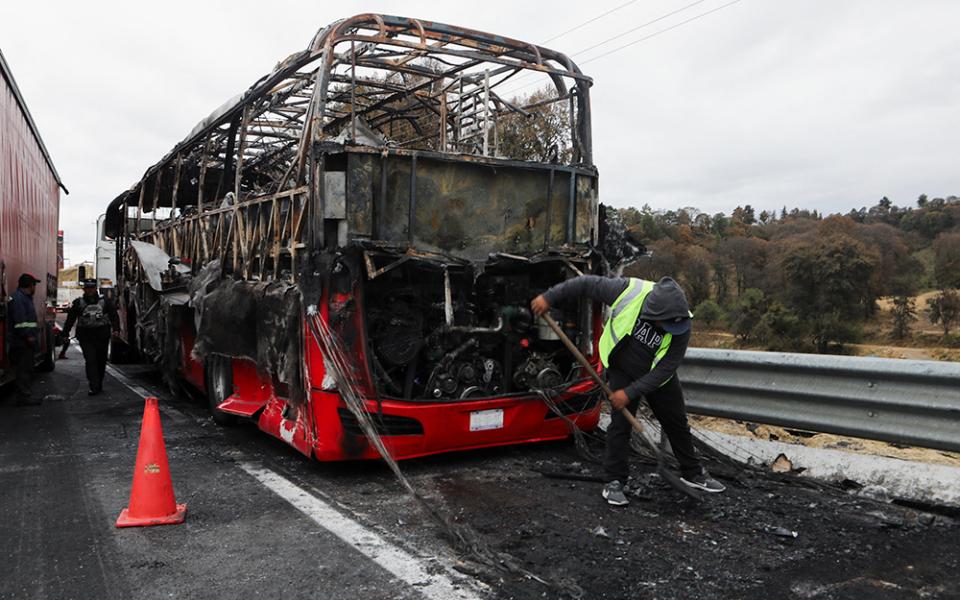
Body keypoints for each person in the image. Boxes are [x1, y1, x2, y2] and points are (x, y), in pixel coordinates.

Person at [531, 275, 725, 506]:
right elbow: (584, 284)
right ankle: (614, 481)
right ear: (654, 315)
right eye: (666, 324)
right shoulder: (626, 291)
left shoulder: (682, 323)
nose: (672, 329)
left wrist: (630, 393)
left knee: (677, 423)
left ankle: (693, 473)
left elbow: (666, 368)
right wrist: (549, 297)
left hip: (657, 376)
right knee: (620, 426)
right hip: (622, 368)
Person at [61, 279, 119, 395]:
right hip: (86, 337)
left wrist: (116, 329)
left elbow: (113, 315)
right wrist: (65, 333)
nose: (90, 290)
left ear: (95, 288)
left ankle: (99, 383)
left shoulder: (105, 302)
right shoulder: (78, 303)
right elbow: (70, 319)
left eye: (92, 288)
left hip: (102, 336)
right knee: (90, 360)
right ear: (84, 289)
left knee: (101, 361)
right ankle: (94, 386)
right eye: (87, 288)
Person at [9, 273, 42, 404]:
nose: (35, 288)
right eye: (34, 285)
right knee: (23, 370)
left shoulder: (23, 297)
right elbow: (20, 322)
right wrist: (29, 336)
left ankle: (25, 395)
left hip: (23, 341)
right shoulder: (19, 299)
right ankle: (24, 397)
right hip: (21, 342)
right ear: (30, 285)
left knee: (27, 369)